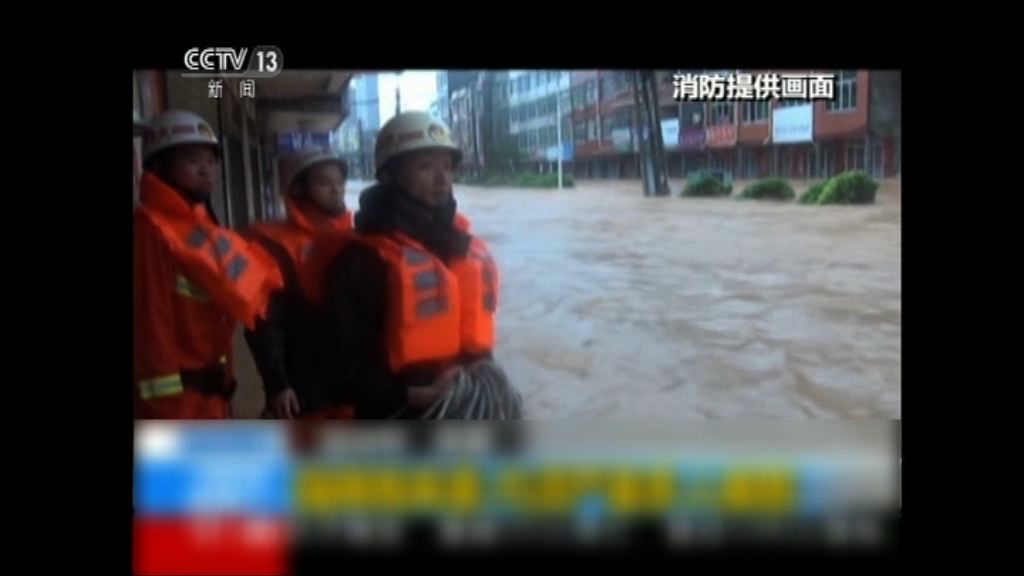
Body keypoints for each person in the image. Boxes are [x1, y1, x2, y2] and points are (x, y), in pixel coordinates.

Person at [314, 111, 514, 419]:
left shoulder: (461, 249)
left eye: (447, 167)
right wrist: (414, 396)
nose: (442, 179)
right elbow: (337, 373)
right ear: (391, 175)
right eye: (426, 166)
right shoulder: (360, 263)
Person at [133, 110, 283, 419]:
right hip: (178, 406)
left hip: (212, 396)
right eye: (193, 160)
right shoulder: (149, 230)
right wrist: (164, 411)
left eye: (211, 160)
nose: (207, 170)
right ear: (159, 167)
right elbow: (150, 325)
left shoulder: (200, 229)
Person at [244, 148, 355, 419]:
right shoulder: (273, 244)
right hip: (302, 386)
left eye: (340, 182)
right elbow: (264, 323)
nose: (336, 189)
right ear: (299, 189)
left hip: (351, 384)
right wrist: (277, 384)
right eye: (324, 182)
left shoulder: (354, 238)